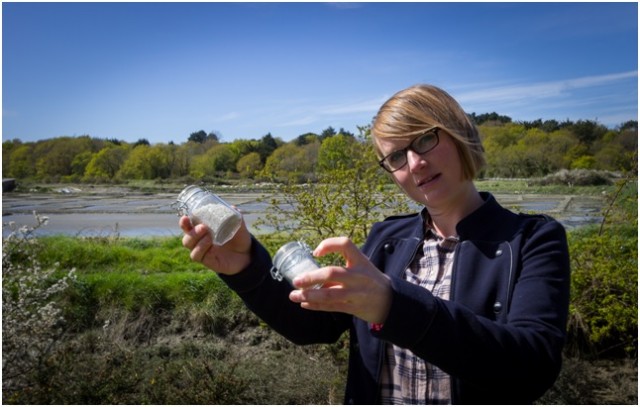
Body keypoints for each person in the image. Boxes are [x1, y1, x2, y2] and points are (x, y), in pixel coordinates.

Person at [179, 84, 571, 404]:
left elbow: (530, 367)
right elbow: (312, 325)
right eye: (397, 156)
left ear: (458, 132)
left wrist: (394, 305)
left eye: (424, 140)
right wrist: (246, 266)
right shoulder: (386, 239)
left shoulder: (532, 239)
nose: (414, 163)